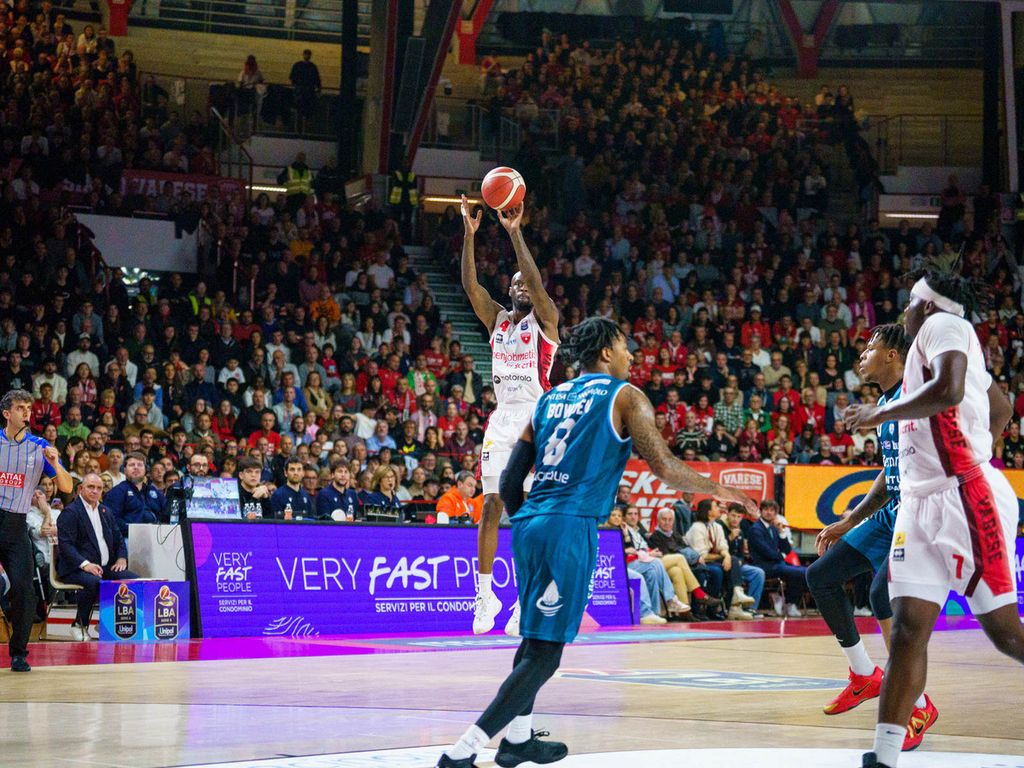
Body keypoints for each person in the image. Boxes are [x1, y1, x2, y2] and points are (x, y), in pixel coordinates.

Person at [435, 317, 757, 768]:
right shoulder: (625, 396)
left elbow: (509, 481)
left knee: (533, 639)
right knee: (546, 655)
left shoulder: (548, 399)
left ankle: (518, 740)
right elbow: (664, 466)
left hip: (530, 524)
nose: (631, 356)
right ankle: (463, 750)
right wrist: (721, 489)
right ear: (606, 352)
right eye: (625, 347)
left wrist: (531, 521)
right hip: (570, 527)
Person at [847, 271, 1020, 768]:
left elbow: (948, 389)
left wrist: (883, 416)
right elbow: (1001, 407)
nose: (905, 308)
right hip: (919, 503)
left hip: (964, 495)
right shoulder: (932, 343)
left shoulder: (945, 325)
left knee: (1005, 632)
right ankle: (883, 757)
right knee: (906, 630)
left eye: (911, 300)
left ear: (927, 304)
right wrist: (972, 434)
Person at [808, 324, 937, 749]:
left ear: (893, 355)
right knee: (820, 576)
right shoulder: (884, 403)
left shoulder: (919, 398)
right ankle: (864, 674)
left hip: (920, 513)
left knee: (883, 595)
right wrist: (851, 519)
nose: (862, 356)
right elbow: (888, 471)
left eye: (870, 348)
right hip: (891, 512)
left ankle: (918, 706)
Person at [461, 195, 559, 637]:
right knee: (490, 507)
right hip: (502, 420)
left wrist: (515, 232)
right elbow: (471, 288)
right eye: (515, 282)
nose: (522, 287)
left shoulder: (547, 321)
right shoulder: (498, 321)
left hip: (537, 420)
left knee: (528, 514)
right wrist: (470, 235)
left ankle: (525, 598)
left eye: (527, 283)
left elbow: (535, 282)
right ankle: (486, 596)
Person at [0, 389, 72, 671]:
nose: (26, 413)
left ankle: (18, 653)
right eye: (20, 408)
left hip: (16, 525)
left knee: (24, 590)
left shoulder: (39, 446)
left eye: (29, 408)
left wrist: (54, 463)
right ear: (7, 414)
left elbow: (67, 486)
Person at [56, 473, 139, 642]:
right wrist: (85, 564)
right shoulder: (70, 512)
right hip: (75, 568)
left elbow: (118, 538)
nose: (95, 491)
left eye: (99, 488)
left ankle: (107, 623)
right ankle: (79, 625)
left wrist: (121, 558)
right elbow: (66, 546)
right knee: (94, 581)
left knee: (133, 580)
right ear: (81, 488)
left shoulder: (105, 511)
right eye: (91, 487)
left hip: (104, 567)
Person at [746, 499, 807, 618]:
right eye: (766, 509)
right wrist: (782, 555)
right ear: (761, 511)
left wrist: (782, 532)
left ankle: (790, 603)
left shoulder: (774, 528)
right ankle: (787, 602)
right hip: (764, 566)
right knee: (800, 573)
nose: (769, 512)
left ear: (775, 513)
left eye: (772, 510)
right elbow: (767, 553)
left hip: (777, 564)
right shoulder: (755, 529)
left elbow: (787, 549)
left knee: (804, 571)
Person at [104, 451, 163, 536]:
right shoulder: (117, 492)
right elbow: (112, 520)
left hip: (156, 535)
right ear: (124, 470)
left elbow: (166, 512)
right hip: (129, 537)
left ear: (146, 469)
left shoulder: (153, 491)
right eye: (132, 465)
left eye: (140, 465)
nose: (136, 467)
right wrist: (133, 530)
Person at [237, 455, 273, 520]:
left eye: (257, 472)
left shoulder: (262, 492)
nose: (253, 475)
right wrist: (254, 498)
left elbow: (271, 521)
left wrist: (265, 499)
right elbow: (240, 519)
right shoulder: (235, 494)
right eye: (249, 471)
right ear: (241, 475)